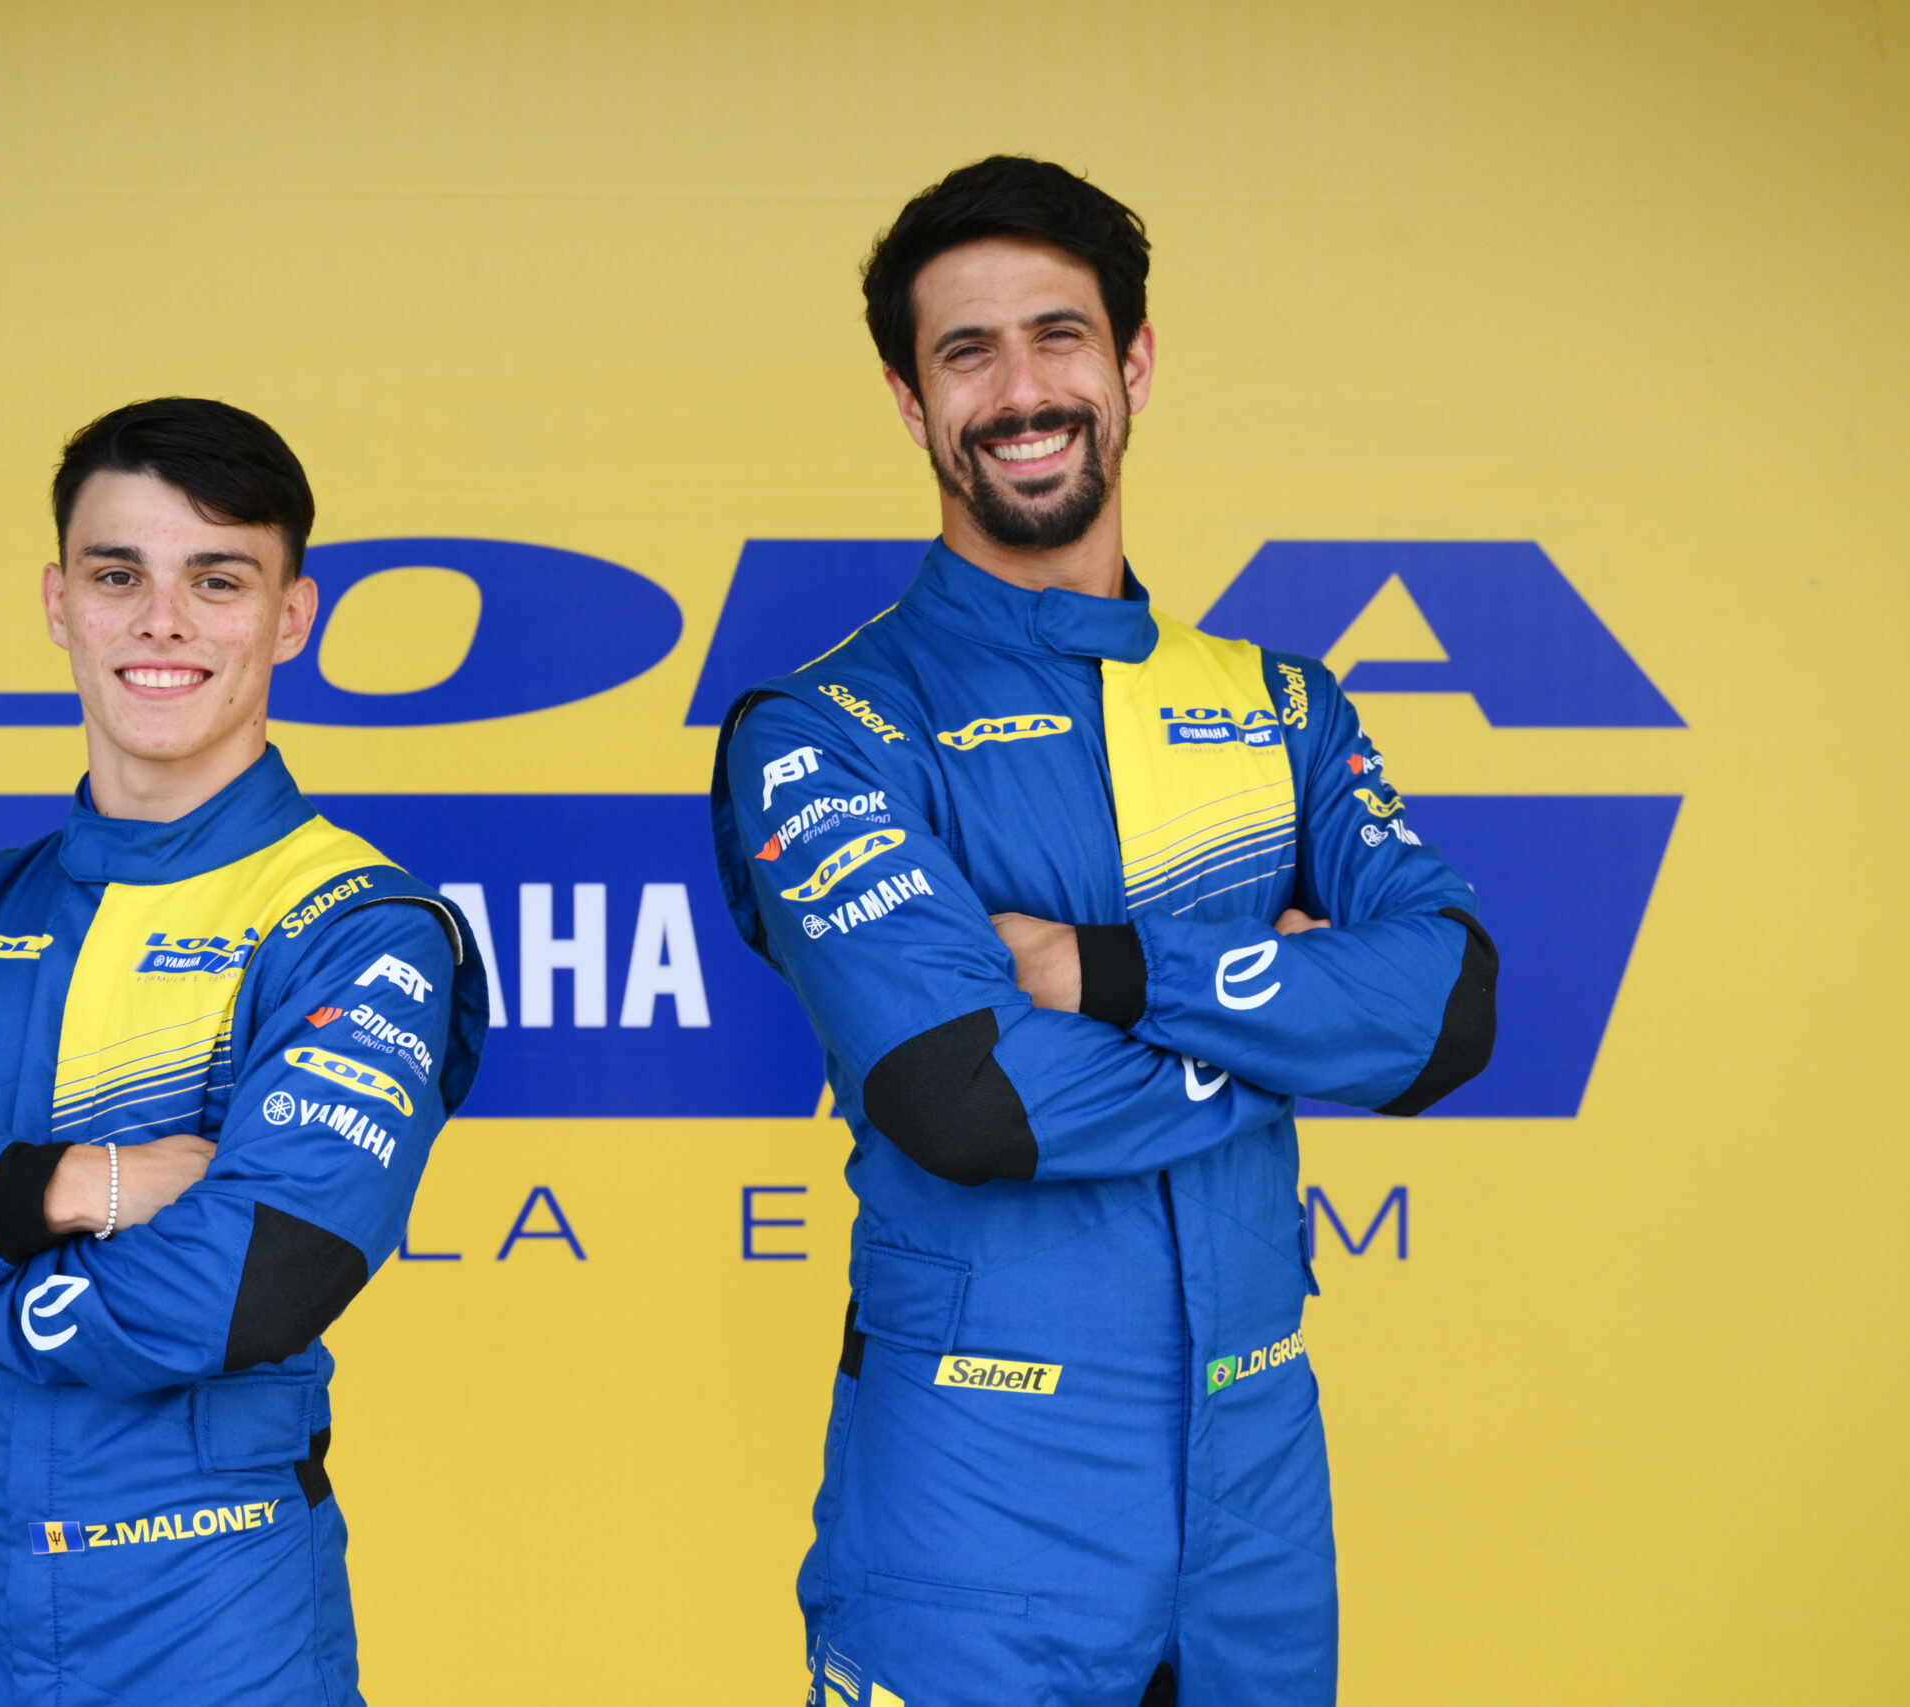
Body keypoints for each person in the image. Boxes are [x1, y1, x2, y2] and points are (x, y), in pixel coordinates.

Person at [710, 158, 1497, 1707]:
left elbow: (1450, 1010)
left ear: (1132, 362)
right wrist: (1301, 1027)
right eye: (968, 353)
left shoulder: (1281, 705)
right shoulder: (830, 729)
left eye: (1058, 337)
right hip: (975, 1498)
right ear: (911, 400)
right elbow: (969, 1098)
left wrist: (1107, 970)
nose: (1021, 391)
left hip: (1258, 1503)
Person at [0, 398, 486, 1707]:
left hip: (219, 1612)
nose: (162, 622)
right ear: (58, 602)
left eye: (218, 580)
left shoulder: (356, 925)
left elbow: (253, 1281)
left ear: (291, 617)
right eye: (118, 575)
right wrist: (78, 1185)